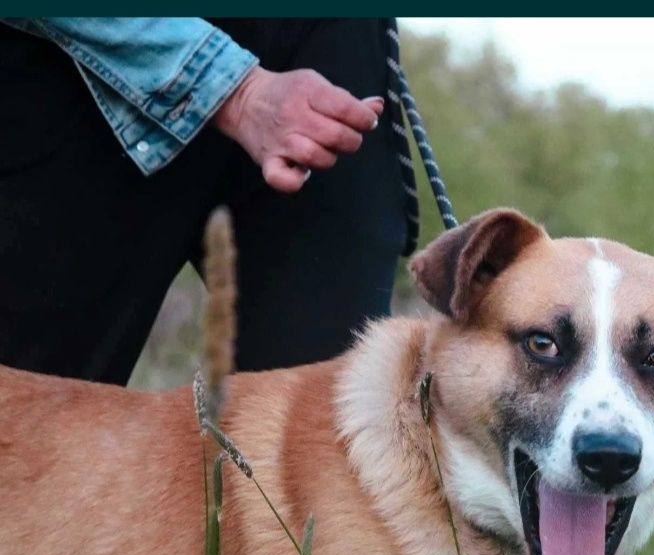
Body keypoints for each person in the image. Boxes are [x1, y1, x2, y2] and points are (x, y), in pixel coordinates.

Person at [0, 18, 417, 383]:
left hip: (325, 53)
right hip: (73, 60)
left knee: (330, 436)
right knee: (22, 431)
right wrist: (235, 90)